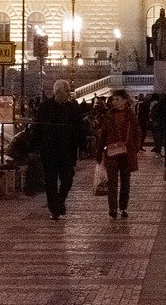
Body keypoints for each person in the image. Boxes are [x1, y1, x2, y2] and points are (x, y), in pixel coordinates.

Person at [35, 79, 86, 219]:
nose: (69, 94)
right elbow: (37, 128)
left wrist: (82, 145)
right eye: (67, 91)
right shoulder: (45, 107)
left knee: (67, 179)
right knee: (50, 181)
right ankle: (54, 209)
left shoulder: (73, 107)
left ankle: (60, 201)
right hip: (49, 151)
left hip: (67, 152)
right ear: (58, 92)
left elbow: (80, 128)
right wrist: (36, 147)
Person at [95, 89, 141, 219]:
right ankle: (113, 208)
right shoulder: (109, 115)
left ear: (125, 101)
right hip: (112, 152)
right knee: (112, 182)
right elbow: (103, 135)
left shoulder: (130, 116)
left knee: (125, 182)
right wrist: (99, 154)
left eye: (117, 99)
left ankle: (123, 207)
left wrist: (135, 147)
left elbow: (137, 133)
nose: (114, 102)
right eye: (113, 99)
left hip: (126, 153)